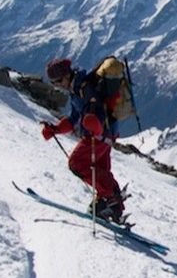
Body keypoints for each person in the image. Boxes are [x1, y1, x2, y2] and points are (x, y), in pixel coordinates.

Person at [40, 57, 126, 222]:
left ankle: (111, 196)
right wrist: (55, 129)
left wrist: (95, 124)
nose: (57, 85)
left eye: (58, 81)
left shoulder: (84, 87)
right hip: (106, 135)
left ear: (66, 76)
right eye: (53, 83)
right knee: (99, 171)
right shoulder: (76, 90)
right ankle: (111, 207)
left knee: (77, 163)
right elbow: (73, 119)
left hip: (98, 135)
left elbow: (95, 108)